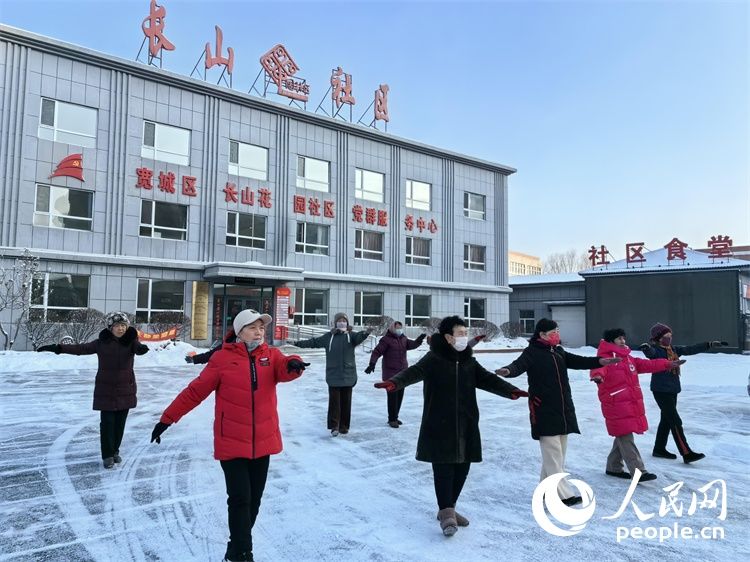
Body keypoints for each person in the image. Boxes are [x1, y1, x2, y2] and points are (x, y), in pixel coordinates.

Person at [150, 309, 309, 562]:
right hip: (232, 441)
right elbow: (195, 392)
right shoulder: (222, 359)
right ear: (239, 331)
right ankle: (243, 554)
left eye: (261, 328)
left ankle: (235, 547)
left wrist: (294, 364)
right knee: (239, 499)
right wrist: (167, 419)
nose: (259, 332)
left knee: (253, 502)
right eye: (253, 327)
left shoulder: (271, 355)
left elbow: (285, 367)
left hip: (264, 441)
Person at [374, 315, 528, 537]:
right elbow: (413, 372)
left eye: (466, 333)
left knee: (462, 468)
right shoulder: (434, 359)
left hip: (466, 422)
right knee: (444, 468)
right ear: (447, 337)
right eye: (460, 333)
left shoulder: (468, 361)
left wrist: (510, 390)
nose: (464, 337)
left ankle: (449, 509)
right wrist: (395, 382)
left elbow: (487, 379)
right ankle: (446, 512)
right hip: (439, 422)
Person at [496, 318, 620, 506]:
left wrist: (600, 361)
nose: (557, 335)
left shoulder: (558, 351)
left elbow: (578, 361)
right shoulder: (532, 352)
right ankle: (562, 495)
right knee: (553, 455)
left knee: (556, 455)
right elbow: (518, 365)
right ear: (542, 335)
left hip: (563, 409)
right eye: (553, 332)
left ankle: (545, 491)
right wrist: (507, 370)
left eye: (557, 331)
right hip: (543, 408)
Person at [37, 312, 148, 469]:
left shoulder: (131, 341)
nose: (121, 329)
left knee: (119, 424)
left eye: (123, 325)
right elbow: (81, 348)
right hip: (106, 389)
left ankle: (115, 450)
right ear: (110, 328)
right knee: (107, 423)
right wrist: (58, 348)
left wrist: (142, 348)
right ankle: (107, 455)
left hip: (125, 389)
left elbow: (138, 347)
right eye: (117, 326)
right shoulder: (101, 343)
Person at [590, 328, 685, 482]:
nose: (623, 341)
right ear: (610, 341)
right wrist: (597, 376)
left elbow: (648, 365)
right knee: (625, 435)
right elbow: (598, 368)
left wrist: (668, 364)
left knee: (623, 434)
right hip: (615, 403)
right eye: (619, 338)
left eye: (623, 338)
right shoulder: (605, 357)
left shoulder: (628, 358)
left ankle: (613, 466)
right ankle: (638, 471)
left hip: (629, 402)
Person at [639, 322, 726, 463]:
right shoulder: (657, 351)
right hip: (661, 390)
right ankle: (686, 453)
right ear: (659, 338)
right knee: (675, 420)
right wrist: (646, 348)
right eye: (666, 335)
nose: (669, 338)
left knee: (666, 420)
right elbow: (651, 354)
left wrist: (709, 344)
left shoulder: (673, 350)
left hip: (673, 390)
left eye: (670, 335)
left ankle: (659, 449)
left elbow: (690, 349)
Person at [292, 312, 370, 436]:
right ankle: (334, 426)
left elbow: (359, 337)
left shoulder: (351, 336)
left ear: (347, 323)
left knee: (346, 401)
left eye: (344, 321)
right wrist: (298, 343)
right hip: (333, 374)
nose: (342, 323)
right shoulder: (329, 337)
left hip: (348, 374)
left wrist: (366, 333)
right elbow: (314, 342)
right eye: (339, 320)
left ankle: (344, 426)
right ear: (335, 323)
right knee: (334, 402)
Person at [364, 321, 426, 427]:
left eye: (400, 328)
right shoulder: (386, 340)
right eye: (397, 328)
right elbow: (377, 351)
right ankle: (392, 419)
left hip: (402, 373)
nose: (399, 330)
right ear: (392, 328)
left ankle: (395, 417)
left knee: (400, 396)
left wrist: (419, 340)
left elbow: (412, 345)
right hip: (390, 373)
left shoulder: (403, 339)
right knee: (392, 396)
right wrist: (372, 363)